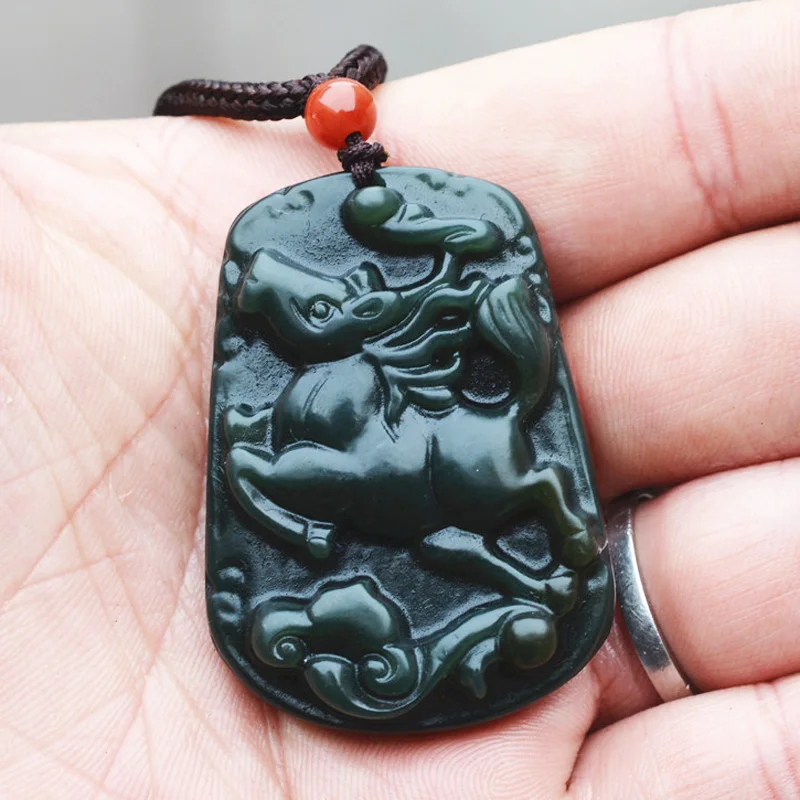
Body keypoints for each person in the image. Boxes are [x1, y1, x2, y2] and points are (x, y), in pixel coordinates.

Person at [1, 2, 798, 798]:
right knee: (440, 541)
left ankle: (542, 526)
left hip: (394, 470)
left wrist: (258, 466)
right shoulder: (336, 374)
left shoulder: (364, 368)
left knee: (378, 501)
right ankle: (536, 568)